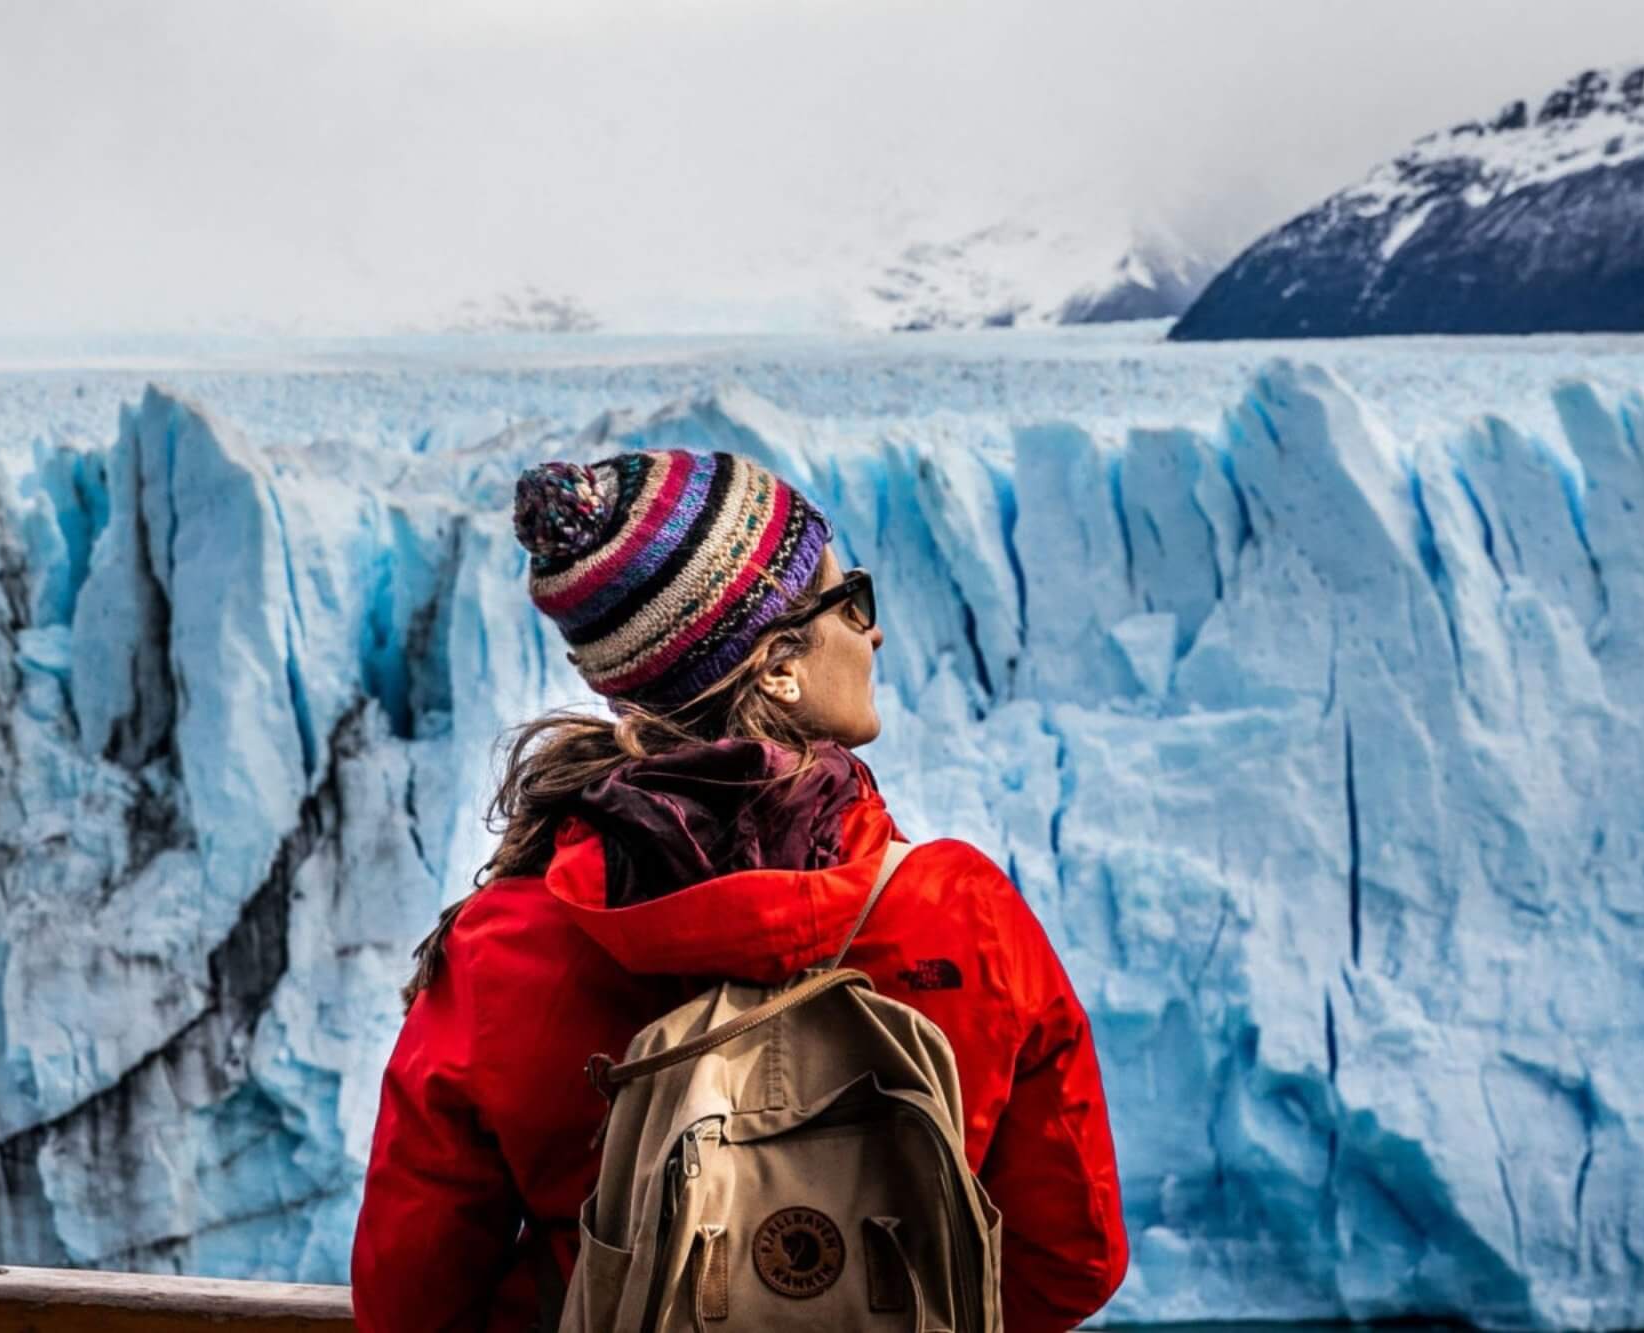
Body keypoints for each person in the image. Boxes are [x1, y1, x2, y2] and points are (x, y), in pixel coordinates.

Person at [351, 448, 1128, 1331]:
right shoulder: (959, 912)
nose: (872, 633)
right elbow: (1075, 1259)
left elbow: (409, 1299)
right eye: (850, 601)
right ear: (777, 663)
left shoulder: (504, 949)